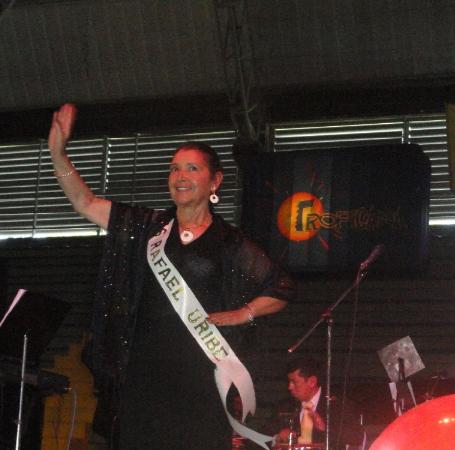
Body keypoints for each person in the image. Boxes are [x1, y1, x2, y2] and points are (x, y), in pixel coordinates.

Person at [48, 104, 296, 449]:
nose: (180, 176)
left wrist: (245, 313)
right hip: (144, 371)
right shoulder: (146, 227)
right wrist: (57, 153)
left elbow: (281, 287)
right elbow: (84, 203)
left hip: (201, 375)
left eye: (192, 168)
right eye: (174, 168)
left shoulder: (230, 242)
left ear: (215, 180)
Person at [272, 356, 364, 449]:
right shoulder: (284, 406)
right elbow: (264, 436)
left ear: (312, 381)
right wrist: (278, 437)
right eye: (289, 382)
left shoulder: (338, 406)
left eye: (294, 382)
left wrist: (325, 429)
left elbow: (358, 438)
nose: (290, 387)